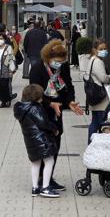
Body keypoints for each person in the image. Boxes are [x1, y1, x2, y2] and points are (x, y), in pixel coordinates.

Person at [29, 39, 83, 191]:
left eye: (62, 61)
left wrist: (70, 101)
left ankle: (49, 177)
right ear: (48, 58)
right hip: (41, 112)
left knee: (55, 144)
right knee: (43, 146)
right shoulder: (37, 68)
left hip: (57, 110)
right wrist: (49, 103)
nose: (59, 64)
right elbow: (33, 94)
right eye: (57, 61)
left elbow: (69, 86)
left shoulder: (63, 68)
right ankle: (40, 180)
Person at [14, 84, 60, 198]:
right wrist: (54, 129)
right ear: (36, 97)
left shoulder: (21, 109)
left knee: (35, 163)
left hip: (30, 141)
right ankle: (45, 187)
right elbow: (43, 123)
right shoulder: (35, 108)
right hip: (42, 141)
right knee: (49, 161)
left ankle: (35, 187)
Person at [83, 39, 110, 143]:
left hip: (95, 97)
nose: (104, 51)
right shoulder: (97, 62)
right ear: (95, 50)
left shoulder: (92, 60)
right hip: (101, 98)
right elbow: (103, 78)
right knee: (103, 123)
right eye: (101, 49)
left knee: (95, 122)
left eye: (105, 48)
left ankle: (92, 144)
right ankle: (99, 144)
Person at [0, 33, 17, 107]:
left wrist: (11, 70)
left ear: (4, 39)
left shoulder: (8, 47)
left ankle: (7, 100)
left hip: (5, 70)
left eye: (1, 38)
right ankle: (3, 101)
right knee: (0, 86)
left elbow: (11, 59)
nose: (0, 40)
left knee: (5, 85)